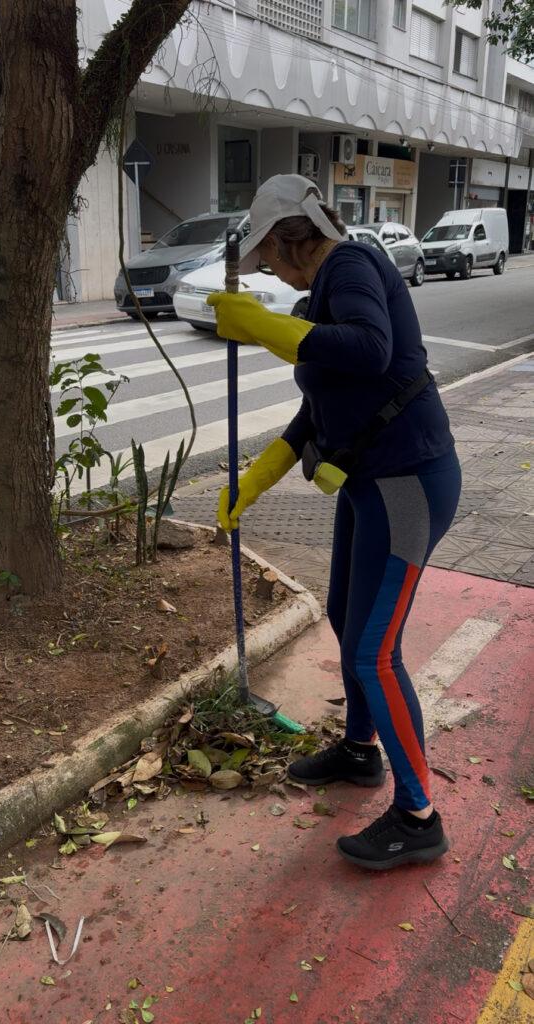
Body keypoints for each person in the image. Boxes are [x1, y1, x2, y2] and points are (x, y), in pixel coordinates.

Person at [207, 174, 461, 871]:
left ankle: (419, 817)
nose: (272, 272)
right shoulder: (325, 287)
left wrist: (262, 327)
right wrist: (254, 482)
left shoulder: (350, 264)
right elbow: (319, 406)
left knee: (374, 652)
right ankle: (359, 751)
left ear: (294, 240)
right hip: (367, 484)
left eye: (272, 257)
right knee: (350, 625)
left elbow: (368, 351)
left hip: (408, 484)